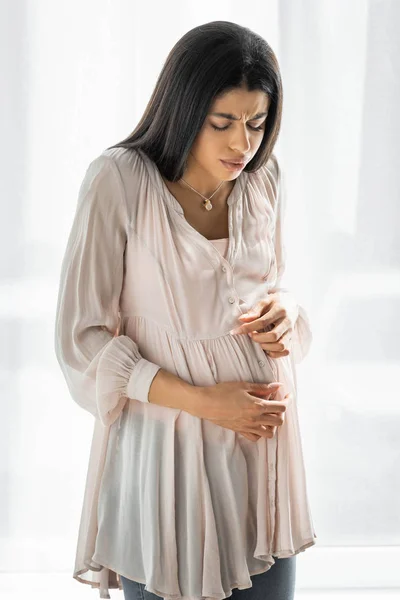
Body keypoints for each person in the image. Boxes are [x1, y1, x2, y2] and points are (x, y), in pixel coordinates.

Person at [54, 19, 316, 600]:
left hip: (260, 452)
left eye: (256, 123)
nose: (242, 145)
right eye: (222, 123)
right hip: (166, 452)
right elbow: (83, 339)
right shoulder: (119, 181)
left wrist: (287, 311)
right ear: (183, 108)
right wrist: (203, 402)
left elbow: (271, 284)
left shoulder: (264, 179)